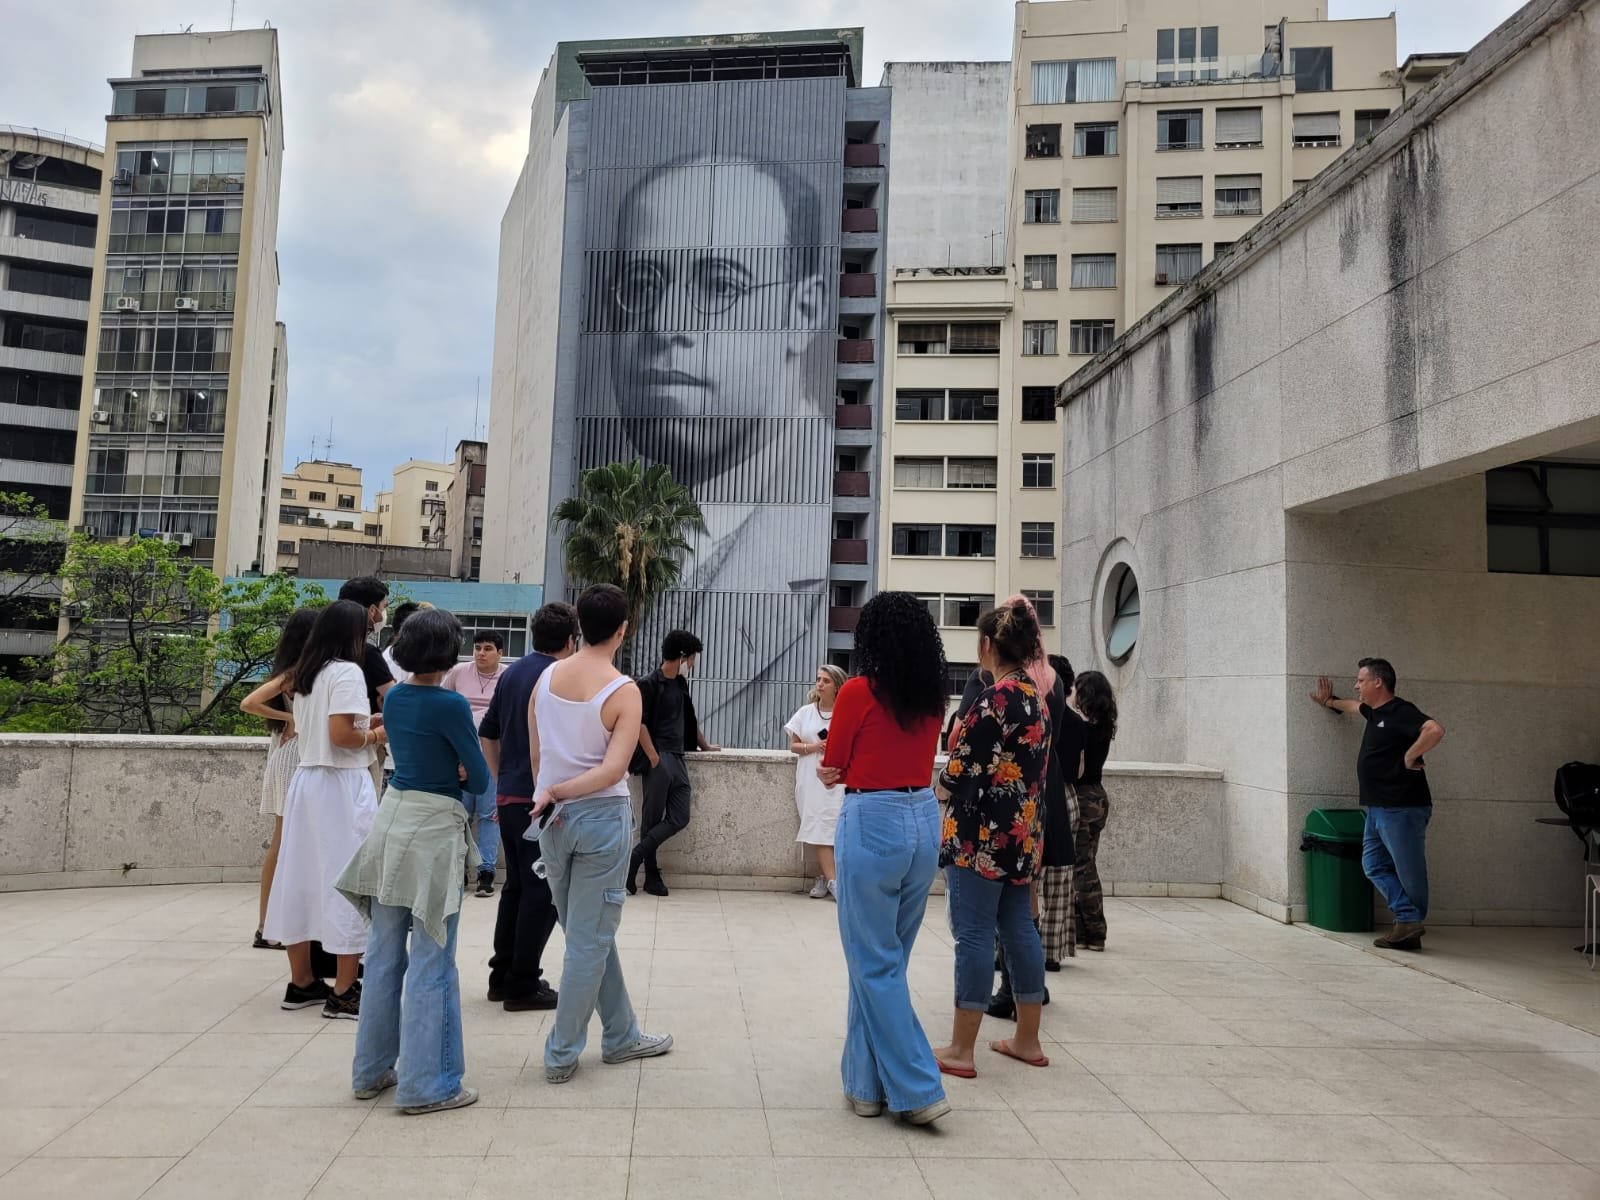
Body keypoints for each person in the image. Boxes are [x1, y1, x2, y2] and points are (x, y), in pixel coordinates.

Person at [584, 146, 836, 745]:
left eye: (720, 285)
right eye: (641, 286)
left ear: (803, 310)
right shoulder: (626, 528)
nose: (666, 323)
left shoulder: (823, 538)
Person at [338, 608, 489, 1115]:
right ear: (448, 653)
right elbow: (479, 778)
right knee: (432, 960)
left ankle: (371, 1071)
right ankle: (428, 1084)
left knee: (383, 956)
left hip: (392, 821)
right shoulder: (451, 704)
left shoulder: (397, 697)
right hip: (433, 831)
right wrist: (461, 769)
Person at [529, 584, 672, 1083]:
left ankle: (621, 1033)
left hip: (551, 819)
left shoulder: (545, 677)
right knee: (589, 941)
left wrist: (551, 792)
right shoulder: (623, 690)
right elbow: (614, 771)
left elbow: (537, 752)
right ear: (622, 629)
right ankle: (561, 1053)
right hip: (599, 820)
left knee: (587, 934)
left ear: (578, 626)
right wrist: (562, 790)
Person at [818, 592, 950, 1127]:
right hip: (923, 819)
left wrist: (836, 770)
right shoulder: (932, 695)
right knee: (883, 962)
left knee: (873, 962)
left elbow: (835, 762)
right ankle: (864, 1085)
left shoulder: (857, 691)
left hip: (872, 818)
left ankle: (918, 1088)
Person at [933, 600, 1052, 1077]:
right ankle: (1028, 1040)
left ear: (987, 645)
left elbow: (964, 770)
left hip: (979, 839)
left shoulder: (994, 699)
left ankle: (961, 1050)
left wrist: (941, 785)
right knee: (1019, 929)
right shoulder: (1035, 698)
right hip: (1021, 836)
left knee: (975, 934)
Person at [263, 600, 386, 1020]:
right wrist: (377, 734)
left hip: (307, 781)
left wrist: (363, 725)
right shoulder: (347, 672)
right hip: (341, 785)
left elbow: (324, 728)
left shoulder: (305, 674)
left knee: (299, 878)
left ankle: (302, 982)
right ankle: (345, 990)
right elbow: (342, 736)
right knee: (348, 881)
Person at [478, 604, 576, 1011]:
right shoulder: (561, 676)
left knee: (516, 886)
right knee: (543, 891)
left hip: (510, 795)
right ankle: (522, 983)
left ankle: (502, 975)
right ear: (571, 639)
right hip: (543, 801)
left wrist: (501, 778)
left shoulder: (512, 673)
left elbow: (488, 732)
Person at [1311, 659, 1445, 950]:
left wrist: (1410, 755)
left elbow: (1434, 730)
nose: (1356, 686)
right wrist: (1329, 702)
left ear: (1378, 682)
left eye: (1361, 680)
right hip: (1378, 807)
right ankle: (1408, 920)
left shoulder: (1400, 711)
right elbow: (1352, 706)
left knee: (1408, 870)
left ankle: (1410, 923)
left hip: (1402, 807)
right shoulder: (1374, 712)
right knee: (1372, 865)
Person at [238, 606, 320, 950]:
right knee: (285, 841)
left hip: (287, 755)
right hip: (293, 758)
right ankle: (268, 926)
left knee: (284, 841)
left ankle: (269, 925)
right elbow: (249, 702)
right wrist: (290, 719)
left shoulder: (294, 669)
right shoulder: (296, 673)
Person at [627, 630, 721, 897]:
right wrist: (654, 758)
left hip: (678, 757)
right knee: (651, 819)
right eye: (691, 659)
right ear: (681, 657)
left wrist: (704, 745)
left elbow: (688, 718)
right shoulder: (648, 683)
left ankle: (635, 857)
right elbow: (639, 722)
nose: (692, 665)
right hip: (659, 758)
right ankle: (651, 876)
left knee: (680, 817)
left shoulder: (680, 684)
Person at [444, 630, 507, 898]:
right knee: (460, 814)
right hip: (460, 755)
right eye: (478, 647)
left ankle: (486, 871)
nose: (481, 653)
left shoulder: (507, 677)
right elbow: (443, 704)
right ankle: (458, 869)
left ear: (500, 653)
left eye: (488, 648)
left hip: (492, 756)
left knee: (489, 814)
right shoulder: (458, 673)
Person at [785, 664, 847, 899]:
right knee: (817, 826)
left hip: (838, 780)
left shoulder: (846, 712)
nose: (820, 684)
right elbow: (794, 745)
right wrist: (815, 747)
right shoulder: (805, 712)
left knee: (834, 827)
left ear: (837, 686)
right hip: (811, 778)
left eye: (826, 681)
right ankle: (829, 880)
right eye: (818, 679)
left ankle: (828, 877)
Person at [1069, 670, 1118, 952]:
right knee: (1086, 863)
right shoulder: (1104, 726)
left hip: (1083, 798)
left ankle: (1095, 931)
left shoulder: (1083, 728)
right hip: (1098, 797)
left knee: (1082, 869)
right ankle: (1083, 932)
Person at [1039, 653, 1079, 970]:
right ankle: (1052, 951)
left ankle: (1009, 949)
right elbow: (1079, 769)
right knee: (1060, 881)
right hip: (1067, 794)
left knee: (1023, 881)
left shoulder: (1036, 712)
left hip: (1042, 791)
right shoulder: (1076, 721)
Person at [339, 576, 394, 798]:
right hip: (362, 746)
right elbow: (393, 696)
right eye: (384, 607)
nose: (384, 614)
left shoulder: (318, 653)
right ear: (372, 611)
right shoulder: (367, 653)